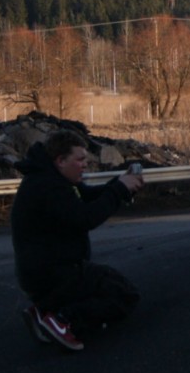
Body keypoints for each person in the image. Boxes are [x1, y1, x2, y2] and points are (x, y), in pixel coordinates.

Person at [10, 129, 144, 351]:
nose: (85, 165)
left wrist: (120, 184)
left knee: (110, 281)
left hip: (48, 271)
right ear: (61, 161)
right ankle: (64, 320)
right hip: (53, 273)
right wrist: (119, 189)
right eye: (80, 160)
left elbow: (88, 197)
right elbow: (85, 217)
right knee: (124, 295)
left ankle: (45, 310)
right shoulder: (48, 187)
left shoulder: (52, 179)